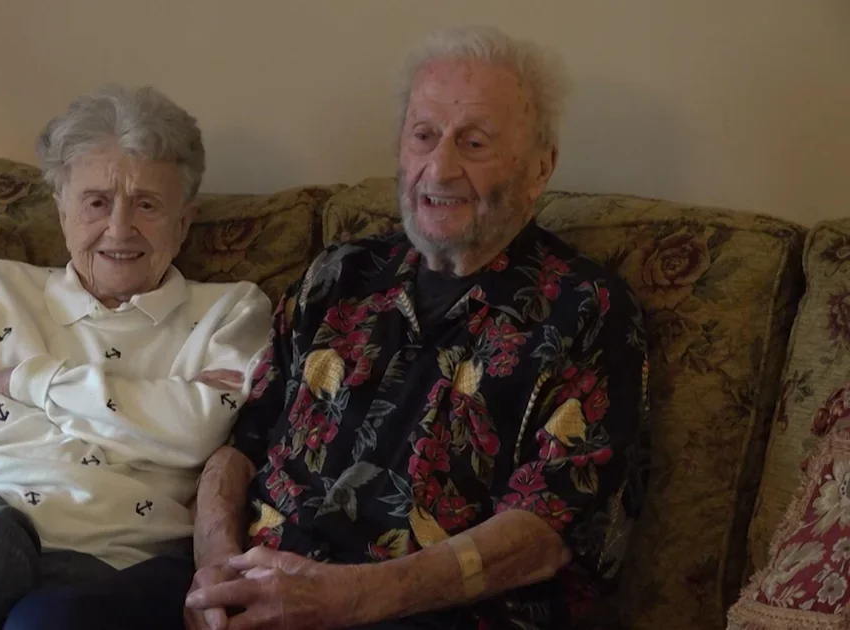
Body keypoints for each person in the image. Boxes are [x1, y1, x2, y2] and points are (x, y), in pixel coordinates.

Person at [183, 26, 650, 629]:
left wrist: (346, 599)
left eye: (474, 143)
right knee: (74, 613)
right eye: (423, 135)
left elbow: (549, 530)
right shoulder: (339, 274)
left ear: (540, 168)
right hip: (255, 588)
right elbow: (240, 445)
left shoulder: (587, 310)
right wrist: (215, 572)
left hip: (422, 612)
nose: (440, 167)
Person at [0, 85, 272, 630]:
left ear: (184, 221)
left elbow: (198, 431)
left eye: (147, 205)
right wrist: (138, 426)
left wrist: (29, 383)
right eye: (96, 202)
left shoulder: (230, 312)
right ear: (62, 211)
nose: (120, 228)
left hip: (111, 557)